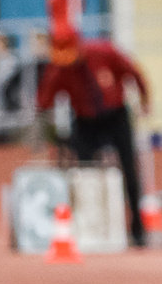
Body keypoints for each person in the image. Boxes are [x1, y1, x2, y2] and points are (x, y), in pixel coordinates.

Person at [36, 21, 154, 243]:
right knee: (83, 170)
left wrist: (144, 100)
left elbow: (134, 72)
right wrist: (47, 136)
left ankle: (137, 226)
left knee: (129, 169)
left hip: (115, 115)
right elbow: (43, 102)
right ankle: (89, 225)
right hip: (85, 120)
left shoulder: (105, 52)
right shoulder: (58, 68)